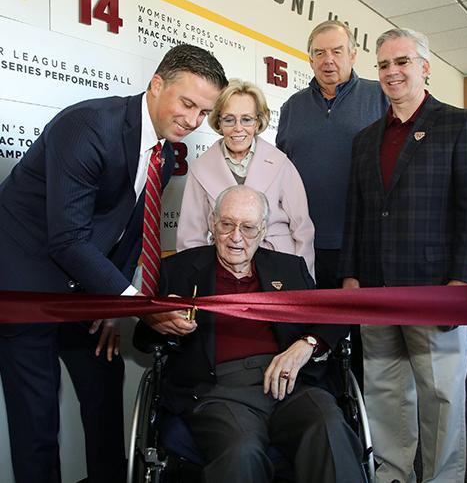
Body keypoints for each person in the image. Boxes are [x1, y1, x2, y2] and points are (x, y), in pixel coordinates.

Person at [0, 44, 227, 483]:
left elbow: (126, 231)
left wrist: (111, 304)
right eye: (187, 103)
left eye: (203, 111)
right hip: (23, 283)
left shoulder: (160, 151)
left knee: (104, 389)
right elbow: (67, 238)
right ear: (157, 84)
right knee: (37, 415)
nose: (194, 120)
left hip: (83, 288)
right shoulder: (88, 126)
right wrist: (137, 304)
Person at [338, 28, 467, 483]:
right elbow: (357, 212)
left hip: (436, 289)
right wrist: (350, 274)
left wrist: (461, 282)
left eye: (402, 61)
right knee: (386, 394)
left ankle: (443, 478)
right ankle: (393, 475)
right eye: (384, 64)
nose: (392, 72)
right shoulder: (366, 138)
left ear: (425, 67)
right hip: (376, 290)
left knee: (441, 396)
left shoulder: (460, 123)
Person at [136, 185, 365, 483]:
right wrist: (160, 321)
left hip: (290, 384)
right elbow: (143, 339)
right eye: (227, 224)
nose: (235, 237)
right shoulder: (179, 270)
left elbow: (332, 317)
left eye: (247, 228)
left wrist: (307, 344)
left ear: (263, 231)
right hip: (219, 393)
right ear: (212, 222)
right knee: (241, 453)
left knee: (329, 426)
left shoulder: (290, 268)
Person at [276, 20, 388, 290]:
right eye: (319, 53)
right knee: (309, 326)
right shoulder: (292, 107)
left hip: (364, 244)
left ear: (352, 55)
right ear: (310, 59)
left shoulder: (381, 97)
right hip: (302, 241)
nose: (328, 61)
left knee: (362, 328)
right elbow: (279, 171)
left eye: (337, 52)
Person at [176, 79, 315, 276]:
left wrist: (302, 280)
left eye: (247, 119)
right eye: (229, 119)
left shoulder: (281, 163)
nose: (238, 128)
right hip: (224, 269)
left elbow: (303, 231)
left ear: (258, 122)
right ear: (218, 122)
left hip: (278, 267)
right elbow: (190, 238)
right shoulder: (201, 168)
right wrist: (195, 284)